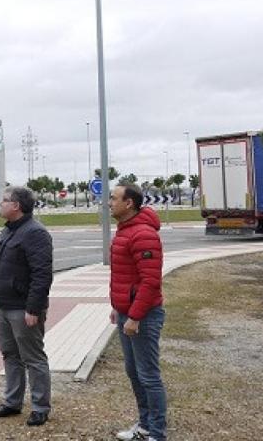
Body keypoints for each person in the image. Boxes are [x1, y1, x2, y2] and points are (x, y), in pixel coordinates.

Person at [0, 186, 54, 427]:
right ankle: (12, 402)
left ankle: (40, 407)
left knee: (33, 358)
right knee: (10, 355)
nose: (0, 204)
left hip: (23, 308)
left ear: (16, 206)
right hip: (4, 306)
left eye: (4, 200)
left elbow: (42, 274)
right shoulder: (8, 231)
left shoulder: (35, 233)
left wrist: (33, 308)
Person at [109, 183, 167, 441]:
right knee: (134, 372)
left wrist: (134, 316)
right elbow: (125, 276)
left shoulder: (143, 234)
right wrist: (118, 308)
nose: (109, 202)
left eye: (113, 198)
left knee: (148, 376)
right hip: (127, 313)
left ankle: (157, 433)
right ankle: (144, 425)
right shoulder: (125, 230)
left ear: (129, 203)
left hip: (143, 316)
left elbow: (150, 281)